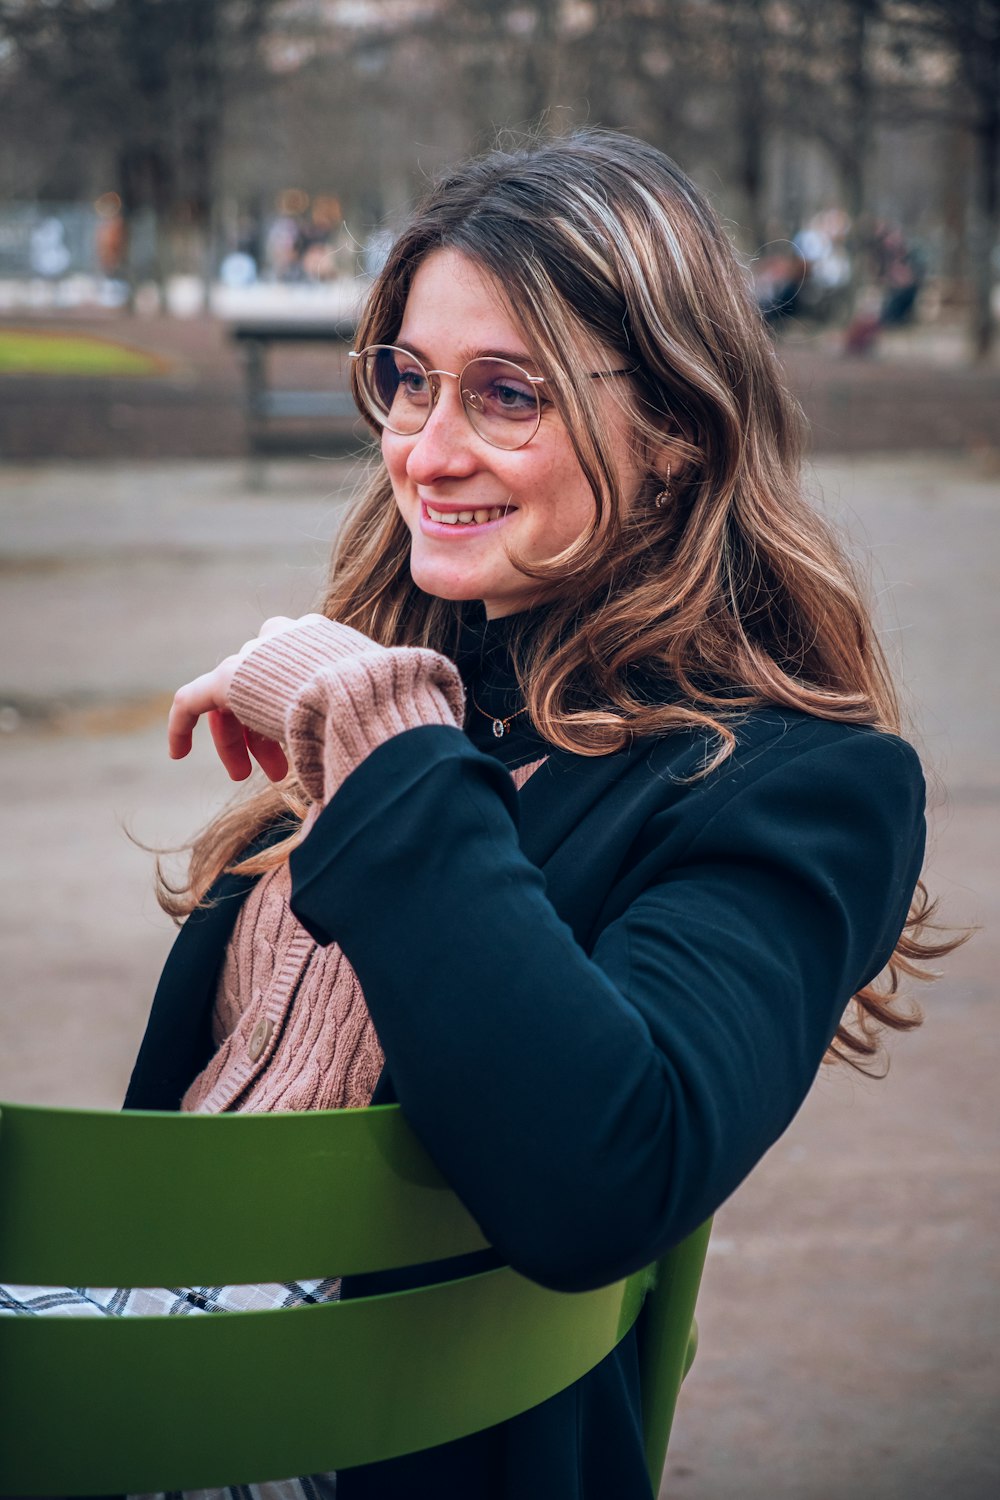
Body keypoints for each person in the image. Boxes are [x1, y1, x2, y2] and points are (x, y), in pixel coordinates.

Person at [3, 130, 947, 1500]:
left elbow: (604, 1172)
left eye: (508, 395)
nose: (423, 452)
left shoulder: (805, 785)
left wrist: (383, 746)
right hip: (121, 1379)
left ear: (678, 428)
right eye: (408, 380)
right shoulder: (412, 687)